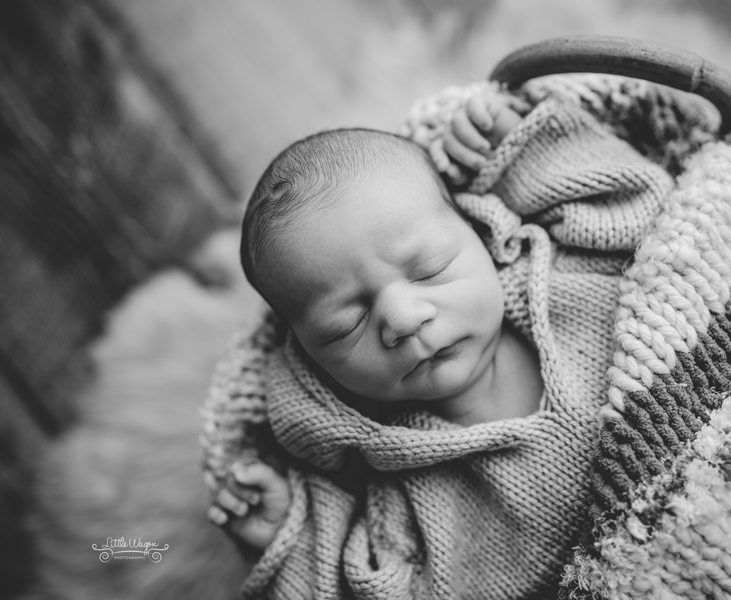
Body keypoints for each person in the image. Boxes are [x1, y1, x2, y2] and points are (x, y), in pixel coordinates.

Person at [204, 88, 675, 599]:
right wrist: (288, 538)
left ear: (480, 232)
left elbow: (640, 202)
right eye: (346, 325)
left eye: (429, 269)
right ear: (311, 364)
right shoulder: (398, 495)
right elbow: (357, 589)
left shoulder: (571, 277)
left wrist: (515, 151)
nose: (403, 320)